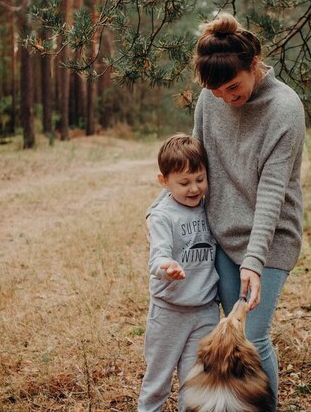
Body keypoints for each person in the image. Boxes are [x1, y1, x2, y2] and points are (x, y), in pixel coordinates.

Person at [148, 12, 305, 409]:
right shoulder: (211, 96)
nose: (226, 98)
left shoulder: (285, 109)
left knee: (252, 335)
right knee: (226, 337)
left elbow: (272, 192)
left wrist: (254, 260)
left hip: (270, 239)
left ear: (253, 64)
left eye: (233, 87)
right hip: (221, 233)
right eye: (217, 92)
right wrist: (161, 212)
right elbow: (194, 164)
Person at [138, 134, 220, 412]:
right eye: (184, 183)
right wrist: (167, 268)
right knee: (157, 381)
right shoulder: (163, 215)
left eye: (199, 179)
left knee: (195, 382)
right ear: (164, 182)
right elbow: (157, 257)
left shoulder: (210, 208)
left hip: (205, 311)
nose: (194, 188)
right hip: (169, 312)